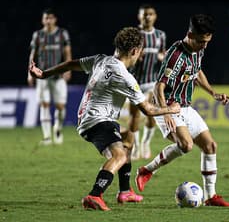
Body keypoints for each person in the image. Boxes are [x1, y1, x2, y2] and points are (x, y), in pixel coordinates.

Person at [29, 27, 180, 211]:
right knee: (120, 155)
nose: (139, 57)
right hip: (98, 121)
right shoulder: (125, 77)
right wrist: (170, 109)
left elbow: (70, 64)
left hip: (89, 118)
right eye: (139, 53)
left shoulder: (100, 59)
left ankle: (125, 191)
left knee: (129, 138)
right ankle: (94, 195)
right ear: (134, 51)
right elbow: (148, 109)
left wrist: (44, 74)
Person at [135, 14, 229, 207]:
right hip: (168, 105)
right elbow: (158, 87)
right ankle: (147, 170)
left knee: (210, 146)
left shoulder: (198, 49)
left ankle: (210, 196)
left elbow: (197, 71)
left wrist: (213, 93)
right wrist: (165, 112)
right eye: (201, 41)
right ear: (190, 34)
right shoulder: (175, 55)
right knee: (186, 145)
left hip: (185, 106)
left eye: (207, 41)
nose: (204, 46)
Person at [27, 8, 72, 145]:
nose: (48, 21)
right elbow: (32, 55)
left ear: (55, 19)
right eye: (46, 18)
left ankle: (57, 128)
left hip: (58, 75)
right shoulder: (38, 35)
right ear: (42, 20)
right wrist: (30, 73)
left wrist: (68, 69)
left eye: (50, 18)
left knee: (60, 106)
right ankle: (46, 137)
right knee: (44, 104)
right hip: (42, 75)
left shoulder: (62, 34)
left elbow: (67, 52)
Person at [129, 4, 167, 160]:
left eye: (150, 14)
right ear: (139, 16)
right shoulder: (134, 34)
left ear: (155, 16)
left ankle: (145, 143)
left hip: (152, 81)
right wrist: (136, 57)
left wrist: (162, 57)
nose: (147, 17)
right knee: (135, 116)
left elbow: (163, 55)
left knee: (151, 115)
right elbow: (127, 58)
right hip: (134, 82)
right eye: (144, 14)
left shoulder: (160, 35)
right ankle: (136, 147)